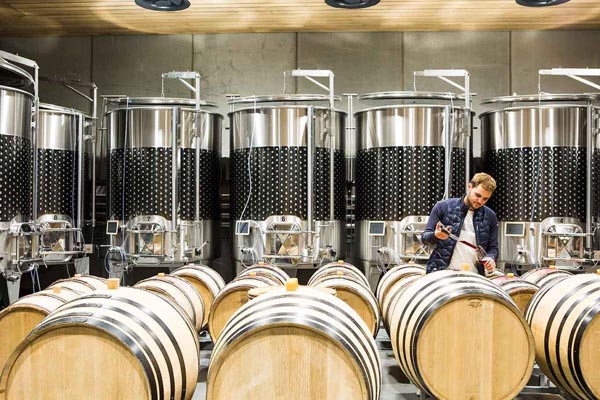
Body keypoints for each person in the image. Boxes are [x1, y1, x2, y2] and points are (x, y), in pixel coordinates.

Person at [422, 173, 499, 275]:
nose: (480, 201)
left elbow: (493, 248)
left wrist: (491, 258)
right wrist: (435, 235)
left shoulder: (490, 216)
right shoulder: (443, 207)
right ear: (469, 187)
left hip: (474, 276)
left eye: (485, 199)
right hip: (442, 274)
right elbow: (425, 238)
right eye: (477, 195)